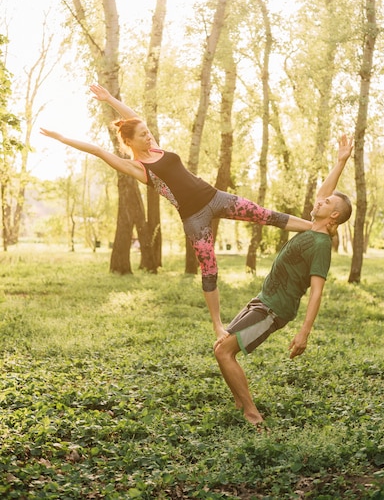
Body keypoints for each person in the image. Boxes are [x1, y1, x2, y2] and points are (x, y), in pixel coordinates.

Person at [40, 84, 313, 338]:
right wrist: (62, 137)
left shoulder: (155, 147)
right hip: (194, 219)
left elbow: (134, 117)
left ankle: (314, 228)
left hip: (214, 197)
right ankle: (218, 325)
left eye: (148, 132)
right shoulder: (138, 167)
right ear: (131, 142)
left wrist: (110, 99)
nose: (149, 136)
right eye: (143, 135)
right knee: (209, 268)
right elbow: (99, 151)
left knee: (263, 214)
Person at [213, 135, 353, 426]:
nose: (320, 200)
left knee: (225, 352)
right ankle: (240, 401)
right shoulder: (312, 229)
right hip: (262, 300)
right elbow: (324, 192)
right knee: (221, 347)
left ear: (334, 215)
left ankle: (252, 413)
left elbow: (316, 293)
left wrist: (304, 333)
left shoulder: (321, 245)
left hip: (274, 310)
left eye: (327, 202)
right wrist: (340, 162)